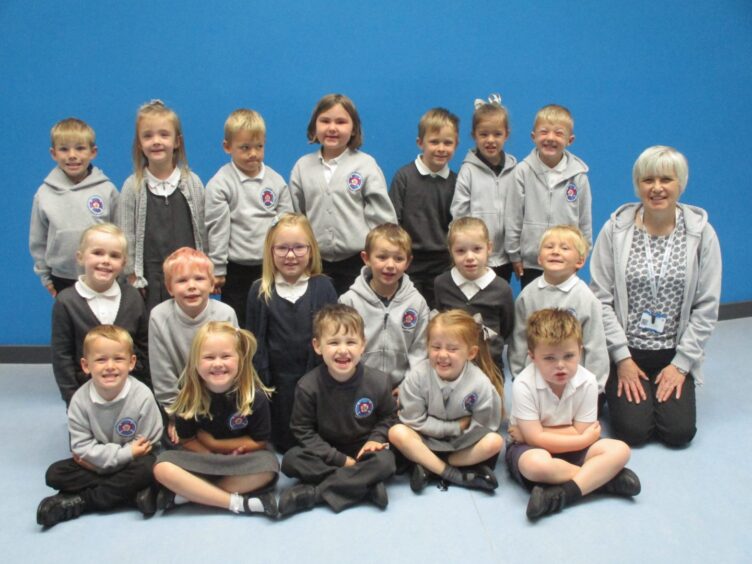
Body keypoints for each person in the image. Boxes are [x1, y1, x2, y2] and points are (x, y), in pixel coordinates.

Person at [590, 146, 722, 446]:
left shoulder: (702, 234)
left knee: (678, 434)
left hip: (673, 352)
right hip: (625, 349)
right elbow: (600, 299)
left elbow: (707, 306)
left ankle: (668, 380)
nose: (657, 188)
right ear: (638, 184)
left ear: (680, 184)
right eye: (648, 180)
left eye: (666, 179)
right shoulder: (615, 230)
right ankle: (613, 386)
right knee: (633, 433)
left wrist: (681, 365)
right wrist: (621, 359)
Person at [506, 309, 640, 520]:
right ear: (532, 357)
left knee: (620, 450)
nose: (560, 365)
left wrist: (543, 433)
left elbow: (574, 431)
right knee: (535, 465)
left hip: (573, 446)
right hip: (534, 449)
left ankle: (563, 494)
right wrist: (581, 438)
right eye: (549, 358)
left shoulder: (587, 381)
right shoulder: (524, 384)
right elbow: (536, 440)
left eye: (569, 356)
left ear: (580, 350)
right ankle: (601, 479)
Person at [37, 325, 162, 527]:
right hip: (119, 460)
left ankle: (84, 501)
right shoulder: (79, 401)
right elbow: (81, 448)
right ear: (86, 366)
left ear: (131, 363)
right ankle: (131, 495)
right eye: (101, 360)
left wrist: (100, 461)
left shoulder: (143, 396)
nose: (110, 366)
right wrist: (124, 455)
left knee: (149, 468)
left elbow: (147, 445)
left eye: (118, 359)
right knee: (55, 474)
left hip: (122, 464)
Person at [278, 304, 396, 516]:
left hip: (364, 451)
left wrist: (376, 439)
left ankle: (315, 494)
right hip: (327, 452)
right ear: (317, 346)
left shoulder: (379, 381)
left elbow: (389, 417)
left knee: (387, 461)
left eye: (351, 342)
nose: (343, 350)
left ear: (363, 345)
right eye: (333, 342)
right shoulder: (308, 386)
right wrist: (341, 461)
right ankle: (365, 486)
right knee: (291, 460)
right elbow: (302, 430)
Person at [153, 322, 279, 517]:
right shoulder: (188, 398)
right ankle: (235, 502)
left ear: (240, 359)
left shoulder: (255, 397)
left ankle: (189, 494)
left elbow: (258, 442)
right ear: (195, 362)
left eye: (226, 356)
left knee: (270, 466)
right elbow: (187, 440)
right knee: (162, 466)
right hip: (202, 459)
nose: (218, 363)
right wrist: (210, 453)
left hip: (240, 460)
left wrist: (215, 444)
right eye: (209, 357)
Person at [245, 213, 338, 452]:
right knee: (286, 446)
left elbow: (332, 337)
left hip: (316, 379)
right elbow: (256, 344)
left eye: (298, 247)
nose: (290, 255)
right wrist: (263, 382)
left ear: (311, 249)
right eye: (282, 248)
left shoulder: (323, 286)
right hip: (277, 383)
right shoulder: (260, 290)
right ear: (270, 251)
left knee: (316, 440)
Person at [289, 93, 397, 294]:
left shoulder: (366, 166)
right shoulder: (302, 167)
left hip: (358, 264)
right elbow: (296, 216)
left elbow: (382, 220)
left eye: (341, 122)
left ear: (353, 128)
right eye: (325, 121)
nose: (332, 128)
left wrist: (382, 256)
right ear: (314, 127)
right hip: (315, 265)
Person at [388, 309, 504, 493]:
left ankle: (428, 465)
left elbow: (484, 425)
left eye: (452, 349)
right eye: (436, 347)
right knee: (397, 433)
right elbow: (413, 420)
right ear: (427, 347)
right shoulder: (417, 375)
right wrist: (454, 427)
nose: (442, 355)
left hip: (462, 445)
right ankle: (453, 474)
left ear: (471, 353)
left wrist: (461, 432)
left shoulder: (480, 383)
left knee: (494, 442)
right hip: (424, 437)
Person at [205, 108, 294, 326]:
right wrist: (217, 269)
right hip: (237, 271)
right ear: (227, 147)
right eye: (244, 148)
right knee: (241, 325)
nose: (253, 153)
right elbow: (217, 230)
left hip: (271, 268)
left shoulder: (275, 181)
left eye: (259, 147)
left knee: (271, 322)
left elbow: (286, 225)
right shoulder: (220, 184)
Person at [119, 100, 206, 312]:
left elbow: (204, 229)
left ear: (177, 141)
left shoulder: (192, 182)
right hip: (149, 279)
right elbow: (126, 234)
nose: (156, 141)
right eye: (148, 136)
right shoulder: (133, 187)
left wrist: (205, 268)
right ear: (139, 144)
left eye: (164, 135)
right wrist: (132, 273)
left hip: (187, 277)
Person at [51, 224, 150, 406]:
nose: (105, 260)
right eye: (97, 253)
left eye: (114, 256)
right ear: (80, 257)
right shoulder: (66, 302)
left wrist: (145, 391)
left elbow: (144, 346)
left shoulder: (132, 297)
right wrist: (72, 398)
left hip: (130, 392)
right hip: (85, 396)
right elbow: (62, 356)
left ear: (123, 263)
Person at [148, 248, 237, 441]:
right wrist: (177, 418)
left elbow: (237, 366)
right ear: (169, 288)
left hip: (222, 401)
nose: (191, 286)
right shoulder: (159, 316)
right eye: (181, 281)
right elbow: (162, 375)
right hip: (183, 405)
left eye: (199, 279)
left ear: (212, 284)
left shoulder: (226, 314)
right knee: (180, 451)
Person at [508, 225, 608, 396]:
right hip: (535, 382)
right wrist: (519, 377)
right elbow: (519, 340)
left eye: (565, 248)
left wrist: (595, 387)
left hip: (574, 385)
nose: (555, 252)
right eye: (549, 247)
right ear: (539, 258)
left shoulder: (586, 299)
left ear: (580, 261)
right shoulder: (528, 296)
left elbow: (595, 345)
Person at [29, 118, 119, 296]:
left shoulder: (106, 190)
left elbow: (120, 235)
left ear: (93, 152)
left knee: (103, 325)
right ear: (53, 153)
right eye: (64, 149)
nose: (72, 155)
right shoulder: (44, 194)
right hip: (62, 278)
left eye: (80, 148)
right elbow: (38, 240)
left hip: (103, 276)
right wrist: (45, 277)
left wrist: (120, 275)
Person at [505, 104, 592, 289]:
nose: (550, 138)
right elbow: (513, 217)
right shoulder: (522, 172)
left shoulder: (579, 177)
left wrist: (582, 253)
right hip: (531, 262)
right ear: (533, 136)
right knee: (534, 313)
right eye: (544, 132)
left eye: (559, 133)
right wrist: (514, 255)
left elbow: (585, 221)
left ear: (570, 139)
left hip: (566, 262)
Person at [339, 223, 429, 392]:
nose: (390, 265)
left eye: (398, 258)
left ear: (408, 262)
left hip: (401, 390)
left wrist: (407, 386)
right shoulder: (348, 302)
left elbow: (420, 352)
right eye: (382, 257)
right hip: (357, 387)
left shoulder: (417, 303)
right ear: (366, 258)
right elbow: (342, 348)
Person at [389, 108, 459, 308]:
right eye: (434, 142)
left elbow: (457, 224)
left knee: (442, 316)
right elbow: (393, 222)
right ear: (420, 143)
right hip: (411, 262)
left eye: (447, 143)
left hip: (444, 264)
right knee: (410, 314)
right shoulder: (404, 177)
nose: (441, 148)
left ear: (456, 145)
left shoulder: (457, 182)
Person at [450, 94, 517, 282]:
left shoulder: (515, 170)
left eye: (497, 134)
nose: (490, 140)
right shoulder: (468, 171)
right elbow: (459, 214)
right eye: (484, 134)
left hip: (504, 257)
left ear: (507, 135)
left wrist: (515, 253)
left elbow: (520, 212)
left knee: (499, 300)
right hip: (475, 257)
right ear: (474, 135)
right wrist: (465, 248)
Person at [434, 217, 514, 372]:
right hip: (452, 365)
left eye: (477, 249)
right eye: (461, 251)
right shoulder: (442, 284)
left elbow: (507, 327)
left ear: (489, 248)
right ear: (451, 252)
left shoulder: (502, 289)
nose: (469, 257)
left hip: (490, 366)